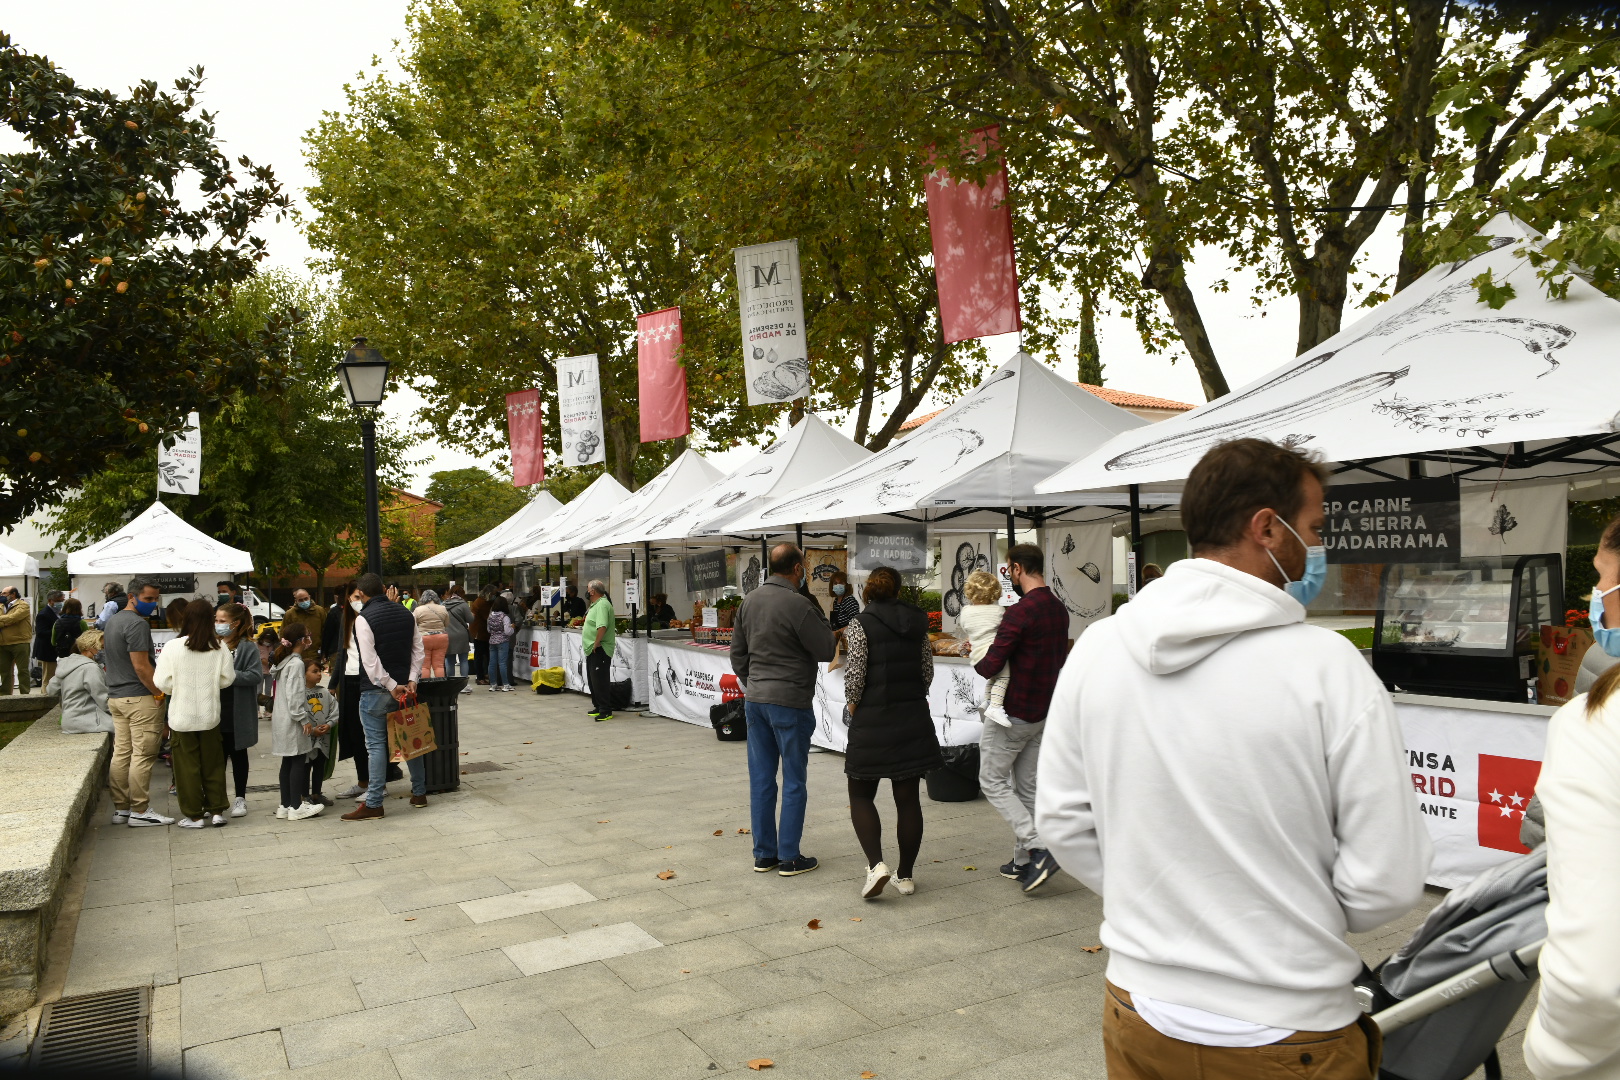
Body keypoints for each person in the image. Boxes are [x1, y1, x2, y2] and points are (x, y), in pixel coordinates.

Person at [1037, 438, 1431, 1080]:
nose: (1317, 546)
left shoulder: (1099, 648)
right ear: (1267, 529)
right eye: (1313, 529)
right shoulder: (1326, 667)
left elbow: (1061, 820)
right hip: (1290, 1024)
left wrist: (1158, 900)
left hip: (1141, 1007)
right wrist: (1286, 914)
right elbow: (1388, 875)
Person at [1523, 513, 1620, 1079]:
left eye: (1604, 577)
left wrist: (1550, 1056)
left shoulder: (1598, 723)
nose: (1598, 598)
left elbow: (1592, 977)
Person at [731, 542, 836, 877]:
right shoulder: (799, 604)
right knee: (793, 779)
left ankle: (764, 854)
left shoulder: (749, 601)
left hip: (757, 699)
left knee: (761, 779)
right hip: (789, 699)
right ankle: (789, 855)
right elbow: (824, 648)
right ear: (797, 569)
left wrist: (755, 681)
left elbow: (737, 655)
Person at [971, 543, 1070, 892]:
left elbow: (990, 666)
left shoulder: (1020, 612)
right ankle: (1023, 861)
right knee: (1027, 788)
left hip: (1013, 714)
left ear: (1015, 569)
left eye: (1008, 569)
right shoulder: (1059, 609)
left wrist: (977, 653)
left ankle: (1039, 848)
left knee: (991, 781)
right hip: (1043, 712)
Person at [841, 566, 940, 900]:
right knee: (908, 799)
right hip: (912, 718)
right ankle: (906, 876)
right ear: (899, 590)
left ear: (868, 590)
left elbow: (855, 677)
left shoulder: (860, 624)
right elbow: (926, 672)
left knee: (860, 794)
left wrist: (853, 709)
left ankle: (876, 866)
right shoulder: (918, 623)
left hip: (872, 719)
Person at [342, 573, 427, 820]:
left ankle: (374, 802)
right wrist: (411, 680)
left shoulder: (363, 619)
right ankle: (419, 792)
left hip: (377, 690)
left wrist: (390, 685)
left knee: (376, 746)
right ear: (383, 588)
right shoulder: (406, 613)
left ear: (363, 593)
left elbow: (370, 661)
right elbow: (417, 650)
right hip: (406, 686)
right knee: (412, 740)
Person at [153, 598, 235, 829]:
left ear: (186, 619)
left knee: (187, 769)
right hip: (210, 715)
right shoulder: (220, 647)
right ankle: (217, 810)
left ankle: (194, 815)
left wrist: (178, 688)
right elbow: (227, 679)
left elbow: (162, 682)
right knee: (214, 764)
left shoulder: (172, 647)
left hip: (181, 716)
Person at [105, 577, 173, 827]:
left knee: (122, 753)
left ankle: (122, 808)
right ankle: (140, 810)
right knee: (142, 755)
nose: (153, 604)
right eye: (148, 599)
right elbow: (141, 666)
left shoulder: (113, 621)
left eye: (155, 599)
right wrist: (158, 693)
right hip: (139, 697)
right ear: (131, 596)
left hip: (117, 697)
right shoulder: (136, 625)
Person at [269, 621, 323, 820]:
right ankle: (296, 806)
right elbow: (295, 695)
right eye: (307, 634)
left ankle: (285, 804)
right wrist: (303, 719)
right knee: (298, 760)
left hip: (281, 718)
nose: (310, 638)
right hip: (293, 720)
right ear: (301, 640)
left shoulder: (285, 662)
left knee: (288, 761)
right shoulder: (297, 663)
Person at [217, 602, 262, 818]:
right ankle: (216, 798)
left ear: (235, 623)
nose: (218, 625)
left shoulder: (247, 646)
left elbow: (255, 675)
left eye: (222, 621)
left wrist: (228, 677)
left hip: (237, 710)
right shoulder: (212, 644)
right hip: (214, 709)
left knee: (238, 755)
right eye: (216, 621)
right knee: (216, 757)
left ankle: (240, 798)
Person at [958, 570, 1013, 726]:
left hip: (976, 656)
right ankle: (995, 706)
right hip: (993, 653)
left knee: (993, 678)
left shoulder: (966, 612)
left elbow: (966, 628)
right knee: (1003, 677)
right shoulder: (998, 611)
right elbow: (1005, 630)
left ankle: (987, 702)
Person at [56, 629, 113, 734]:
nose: (104, 650)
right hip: (87, 720)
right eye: (102, 647)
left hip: (69, 720)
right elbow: (103, 700)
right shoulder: (90, 668)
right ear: (89, 647)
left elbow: (51, 690)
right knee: (127, 726)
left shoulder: (67, 664)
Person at [581, 581, 615, 718]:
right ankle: (598, 705)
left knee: (600, 680)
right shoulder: (595, 605)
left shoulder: (602, 605)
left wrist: (596, 642)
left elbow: (602, 626)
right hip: (592, 649)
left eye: (588, 589)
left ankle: (605, 710)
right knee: (593, 679)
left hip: (600, 648)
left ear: (593, 591)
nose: (587, 591)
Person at [0, 587, 34, 694]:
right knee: (5, 672)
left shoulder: (23, 605)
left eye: (4, 593)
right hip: (3, 643)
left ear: (13, 594)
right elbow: (10, 619)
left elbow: (14, 618)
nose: (2, 595)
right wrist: (7, 621)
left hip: (20, 642)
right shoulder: (1, 606)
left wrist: (5, 620)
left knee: (22, 670)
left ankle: (25, 695)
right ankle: (5, 695)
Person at [413, 589, 451, 678]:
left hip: (424, 638)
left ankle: (426, 688)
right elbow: (447, 623)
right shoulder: (443, 608)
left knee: (424, 666)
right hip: (441, 638)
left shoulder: (418, 609)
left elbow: (413, 624)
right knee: (439, 665)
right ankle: (440, 687)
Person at [32, 590, 63, 694]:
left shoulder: (60, 612)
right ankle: (45, 696)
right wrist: (57, 630)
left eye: (62, 600)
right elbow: (40, 632)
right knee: (48, 677)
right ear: (50, 601)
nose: (61, 603)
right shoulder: (43, 614)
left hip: (56, 650)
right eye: (58, 601)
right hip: (47, 650)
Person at [443, 586, 473, 691]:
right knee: (463, 660)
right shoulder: (463, 604)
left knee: (449, 660)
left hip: (447, 634)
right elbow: (470, 619)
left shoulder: (444, 604)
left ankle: (450, 684)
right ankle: (464, 685)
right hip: (461, 635)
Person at [486, 596, 515, 692]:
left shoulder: (490, 615)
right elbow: (507, 631)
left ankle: (493, 684)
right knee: (502, 663)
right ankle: (506, 684)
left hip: (492, 640)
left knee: (492, 663)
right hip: (503, 641)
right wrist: (512, 628)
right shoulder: (505, 617)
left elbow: (489, 629)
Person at [290, 589, 327, 659]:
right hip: (297, 655)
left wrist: (324, 650)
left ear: (309, 597)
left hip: (316, 654)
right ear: (296, 600)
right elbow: (284, 634)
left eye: (306, 598)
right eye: (300, 600)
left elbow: (326, 631)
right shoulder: (290, 614)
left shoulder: (320, 611)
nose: (304, 601)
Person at [52, 599, 89, 663]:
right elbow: (88, 641)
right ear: (79, 609)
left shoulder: (57, 622)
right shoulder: (82, 623)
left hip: (62, 655)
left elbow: (53, 642)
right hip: (78, 655)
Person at [470, 587, 492, 685]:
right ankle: (480, 677)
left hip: (479, 632)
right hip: (481, 633)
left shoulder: (478, 601)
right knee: (480, 655)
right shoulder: (482, 603)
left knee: (481, 655)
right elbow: (488, 617)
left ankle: (483, 674)